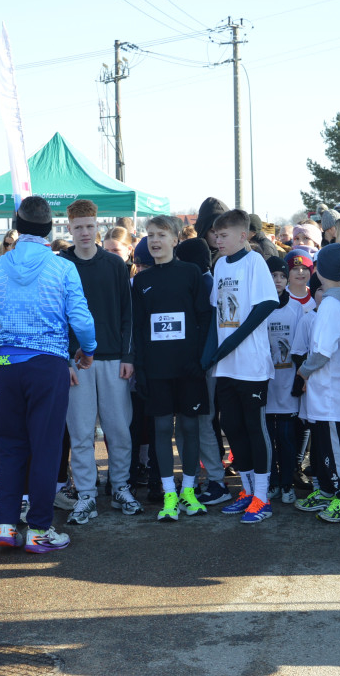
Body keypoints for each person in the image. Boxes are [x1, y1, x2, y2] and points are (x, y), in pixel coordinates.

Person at [0, 195, 96, 553]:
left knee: (11, 446)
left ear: (16, 227)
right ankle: (39, 529)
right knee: (45, 448)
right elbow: (81, 320)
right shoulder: (62, 268)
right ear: (51, 228)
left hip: (8, 365)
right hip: (47, 363)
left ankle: (5, 526)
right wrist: (88, 350)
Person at [60, 199, 139, 524]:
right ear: (69, 228)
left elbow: (127, 314)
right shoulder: (61, 265)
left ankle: (120, 487)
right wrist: (64, 359)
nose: (84, 232)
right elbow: (56, 317)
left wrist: (128, 356)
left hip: (112, 360)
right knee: (80, 434)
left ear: (98, 227)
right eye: (78, 227)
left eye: (89, 226)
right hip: (76, 363)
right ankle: (87, 495)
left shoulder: (114, 265)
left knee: (118, 430)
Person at [132, 215, 212, 521]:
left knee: (190, 428)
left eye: (161, 235)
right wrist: (141, 369)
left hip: (189, 368)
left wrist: (200, 360)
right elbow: (139, 330)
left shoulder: (191, 273)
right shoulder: (141, 280)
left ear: (175, 240)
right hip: (157, 370)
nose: (154, 240)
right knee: (162, 429)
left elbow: (205, 319)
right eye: (150, 235)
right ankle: (169, 495)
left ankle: (188, 491)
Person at [203, 209, 280, 523]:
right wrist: (208, 355)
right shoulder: (220, 265)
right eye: (216, 236)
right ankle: (246, 490)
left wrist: (231, 343)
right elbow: (215, 313)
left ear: (242, 236)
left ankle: (263, 496)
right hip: (226, 367)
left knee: (254, 428)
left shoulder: (255, 262)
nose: (218, 241)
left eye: (223, 236)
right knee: (231, 427)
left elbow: (266, 305)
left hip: (251, 365)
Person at [297, 244, 340, 523]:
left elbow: (323, 351)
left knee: (336, 447)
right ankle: (327, 489)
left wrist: (303, 371)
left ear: (319, 270)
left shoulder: (332, 305)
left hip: (334, 390)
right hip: (327, 390)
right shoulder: (335, 302)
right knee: (324, 445)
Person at [175, 238, 230, 506]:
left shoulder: (206, 283)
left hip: (203, 365)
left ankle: (216, 480)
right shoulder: (203, 279)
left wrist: (202, 361)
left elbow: (210, 331)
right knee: (189, 423)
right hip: (195, 363)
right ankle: (192, 478)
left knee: (201, 421)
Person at [263, 255, 302, 504]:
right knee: (268, 438)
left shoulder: (296, 308)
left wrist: (300, 380)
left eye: (281, 276)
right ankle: (272, 482)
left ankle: (287, 483)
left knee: (287, 438)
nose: (277, 281)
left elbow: (300, 347)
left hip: (288, 383)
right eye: (273, 276)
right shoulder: (259, 307)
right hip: (265, 384)